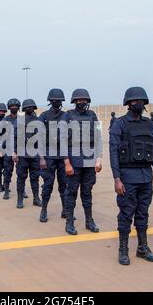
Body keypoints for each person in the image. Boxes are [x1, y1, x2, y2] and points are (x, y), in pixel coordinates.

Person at [109, 87, 153, 266]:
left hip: (146, 177)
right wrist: (117, 178)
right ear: (128, 103)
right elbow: (114, 152)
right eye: (134, 101)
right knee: (126, 214)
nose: (137, 103)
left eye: (140, 101)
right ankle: (123, 250)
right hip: (127, 178)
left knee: (143, 213)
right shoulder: (120, 124)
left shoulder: (149, 124)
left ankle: (142, 247)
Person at [62, 89, 103, 235]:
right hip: (73, 160)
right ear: (74, 101)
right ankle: (70, 223)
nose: (82, 102)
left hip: (90, 161)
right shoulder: (68, 116)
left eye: (84, 100)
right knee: (71, 192)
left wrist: (99, 158)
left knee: (87, 192)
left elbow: (98, 137)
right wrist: (66, 163)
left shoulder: (93, 115)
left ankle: (89, 221)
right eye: (79, 100)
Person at [38, 89, 68, 222]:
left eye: (59, 101)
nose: (56, 102)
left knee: (64, 185)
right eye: (54, 101)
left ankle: (65, 209)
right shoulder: (44, 116)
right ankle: (43, 210)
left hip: (62, 157)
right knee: (47, 185)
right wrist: (42, 158)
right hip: (48, 157)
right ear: (50, 101)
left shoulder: (66, 116)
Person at [15, 99, 42, 209]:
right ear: (24, 108)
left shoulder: (38, 120)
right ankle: (20, 199)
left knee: (35, 178)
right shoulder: (19, 121)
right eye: (27, 107)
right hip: (22, 155)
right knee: (21, 178)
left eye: (31, 107)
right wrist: (14, 152)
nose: (29, 109)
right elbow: (15, 138)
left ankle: (36, 198)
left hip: (34, 154)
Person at [2, 99, 21, 200]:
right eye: (12, 106)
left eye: (16, 106)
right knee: (7, 171)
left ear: (18, 107)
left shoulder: (22, 119)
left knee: (21, 171)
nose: (14, 107)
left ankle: (22, 190)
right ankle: (6, 190)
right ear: (9, 108)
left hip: (20, 148)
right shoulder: (5, 120)